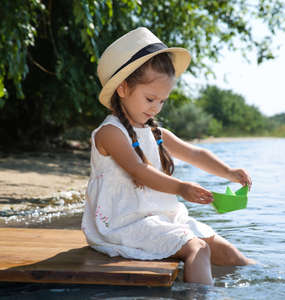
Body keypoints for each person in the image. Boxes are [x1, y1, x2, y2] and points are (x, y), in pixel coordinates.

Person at [82, 27, 255, 285]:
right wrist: (182, 187)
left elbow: (195, 153)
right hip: (122, 225)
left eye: (162, 101)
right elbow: (139, 170)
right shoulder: (110, 133)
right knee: (198, 249)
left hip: (162, 217)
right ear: (122, 88)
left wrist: (229, 172)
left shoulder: (155, 132)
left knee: (229, 254)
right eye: (150, 98)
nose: (156, 108)